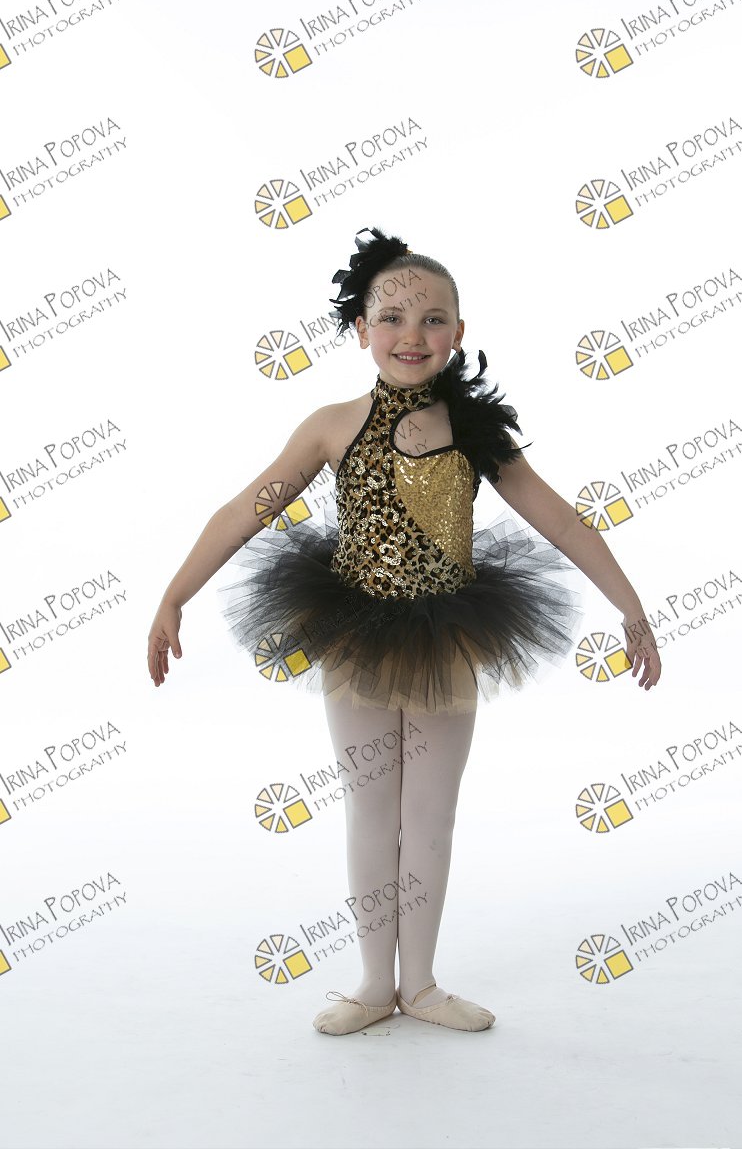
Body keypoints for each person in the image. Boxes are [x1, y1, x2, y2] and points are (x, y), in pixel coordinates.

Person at [147, 226, 661, 1036]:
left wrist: (631, 607)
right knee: (369, 810)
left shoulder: (476, 434)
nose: (411, 334)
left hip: (447, 637)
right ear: (361, 328)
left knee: (429, 815)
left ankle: (419, 983)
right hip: (354, 633)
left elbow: (561, 521)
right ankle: (371, 983)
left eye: (432, 318)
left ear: (459, 332)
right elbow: (248, 508)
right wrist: (175, 594)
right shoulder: (331, 425)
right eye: (391, 316)